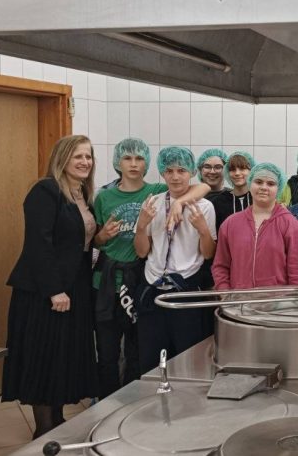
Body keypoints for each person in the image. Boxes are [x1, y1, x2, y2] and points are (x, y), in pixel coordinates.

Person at [91, 138, 208, 399]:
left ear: (148, 164)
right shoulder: (105, 196)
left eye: (139, 158)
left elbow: (202, 186)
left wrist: (178, 203)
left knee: (138, 349)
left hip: (139, 279)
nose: (133, 164)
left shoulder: (156, 190)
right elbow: (95, 241)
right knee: (107, 350)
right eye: (127, 158)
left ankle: (136, 400)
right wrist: (104, 235)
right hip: (109, 281)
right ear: (117, 162)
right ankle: (106, 403)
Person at [3, 135, 98, 438]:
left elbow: (77, 242)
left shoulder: (83, 194)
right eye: (78, 156)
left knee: (61, 360)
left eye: (88, 156)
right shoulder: (45, 191)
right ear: (62, 158)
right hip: (44, 293)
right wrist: (54, 290)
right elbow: (38, 244)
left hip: (75, 288)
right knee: (44, 359)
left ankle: (56, 424)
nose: (85, 162)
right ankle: (44, 431)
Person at [133, 146, 217, 373]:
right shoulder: (153, 204)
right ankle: (152, 395)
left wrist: (202, 229)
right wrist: (141, 226)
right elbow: (141, 252)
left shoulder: (204, 207)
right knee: (151, 359)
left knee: (187, 359)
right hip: (153, 288)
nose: (175, 176)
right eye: (169, 171)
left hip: (186, 290)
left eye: (181, 170)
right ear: (162, 173)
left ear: (191, 172)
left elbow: (208, 253)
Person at [213, 163, 298, 289]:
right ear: (249, 184)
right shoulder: (230, 224)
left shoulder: (291, 225)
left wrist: (289, 300)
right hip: (238, 299)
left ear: (279, 188)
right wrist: (225, 294)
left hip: (278, 300)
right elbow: (220, 266)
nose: (264, 187)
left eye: (270, 184)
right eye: (258, 182)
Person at [211, 151, 255, 231]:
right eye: (232, 169)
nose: (237, 173)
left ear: (251, 171)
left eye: (242, 168)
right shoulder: (218, 202)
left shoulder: (258, 199)